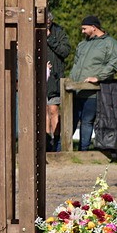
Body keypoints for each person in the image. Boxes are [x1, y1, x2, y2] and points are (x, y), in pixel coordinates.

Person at [67, 15, 117, 151]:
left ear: (93, 27)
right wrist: (70, 80)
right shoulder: (83, 44)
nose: (82, 32)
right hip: (76, 89)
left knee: (87, 121)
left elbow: (114, 64)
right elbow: (76, 65)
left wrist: (98, 77)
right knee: (70, 121)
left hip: (92, 91)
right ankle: (61, 150)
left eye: (84, 28)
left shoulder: (110, 43)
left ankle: (83, 151)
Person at [44, 9, 73, 152]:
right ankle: (45, 141)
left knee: (53, 110)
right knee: (43, 111)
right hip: (38, 77)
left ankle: (56, 142)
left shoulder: (59, 32)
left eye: (49, 21)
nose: (47, 23)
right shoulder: (31, 29)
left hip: (54, 78)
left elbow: (65, 51)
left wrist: (50, 38)